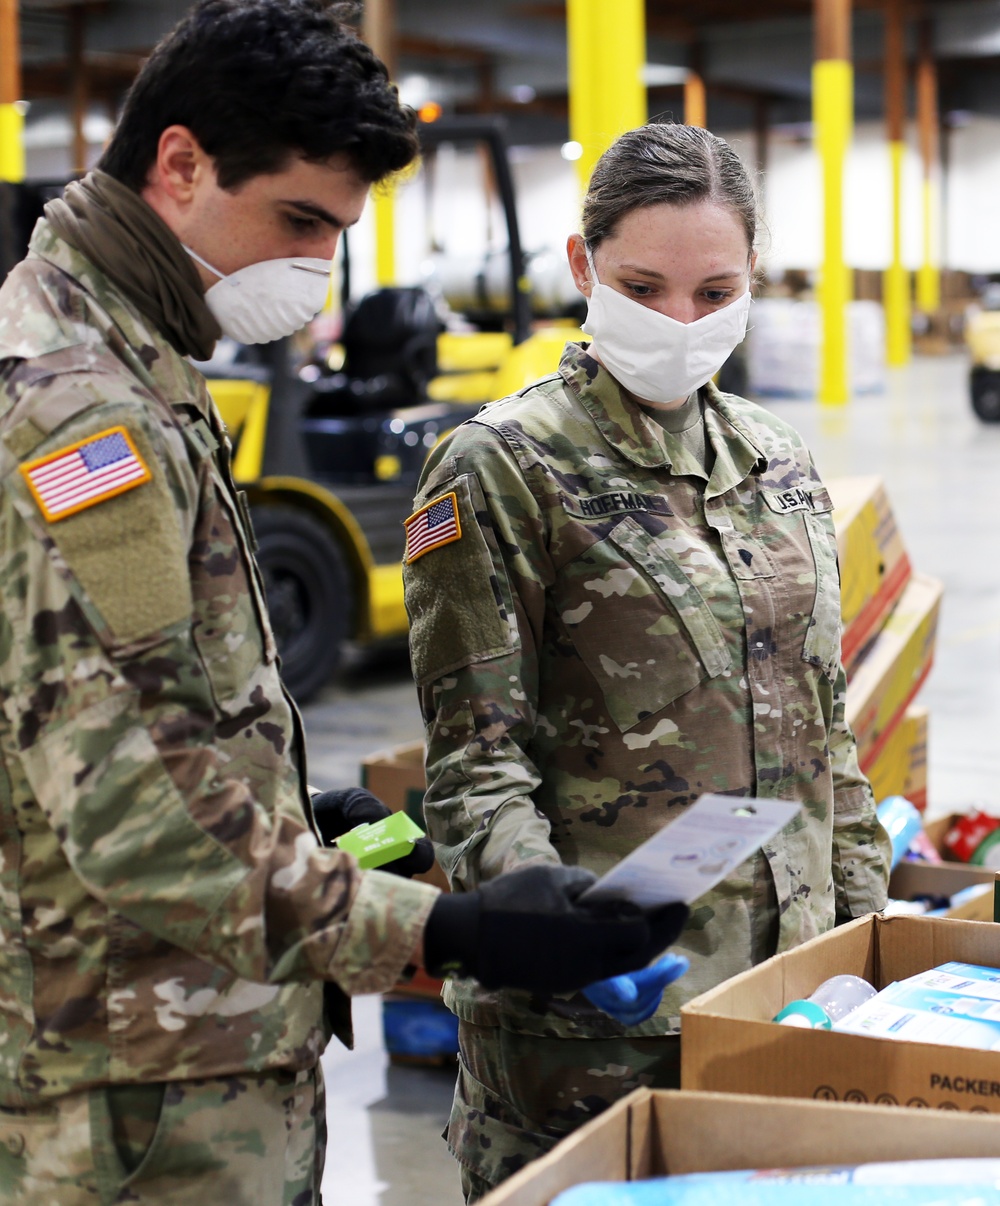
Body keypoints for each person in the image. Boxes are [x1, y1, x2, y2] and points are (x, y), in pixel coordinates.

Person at [0, 5, 689, 1202]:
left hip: (178, 1050)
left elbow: (99, 724)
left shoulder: (131, 354)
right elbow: (132, 823)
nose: (315, 271)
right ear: (181, 165)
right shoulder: (83, 409)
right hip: (136, 1098)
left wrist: (286, 801)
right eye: (299, 221)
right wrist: (444, 931)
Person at [402, 121, 892, 1202]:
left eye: (715, 292)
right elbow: (475, 767)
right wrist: (562, 937)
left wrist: (865, 936)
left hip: (785, 1006)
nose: (680, 321)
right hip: (593, 1033)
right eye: (644, 285)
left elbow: (824, 728)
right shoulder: (500, 468)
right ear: (582, 267)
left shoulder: (780, 463)